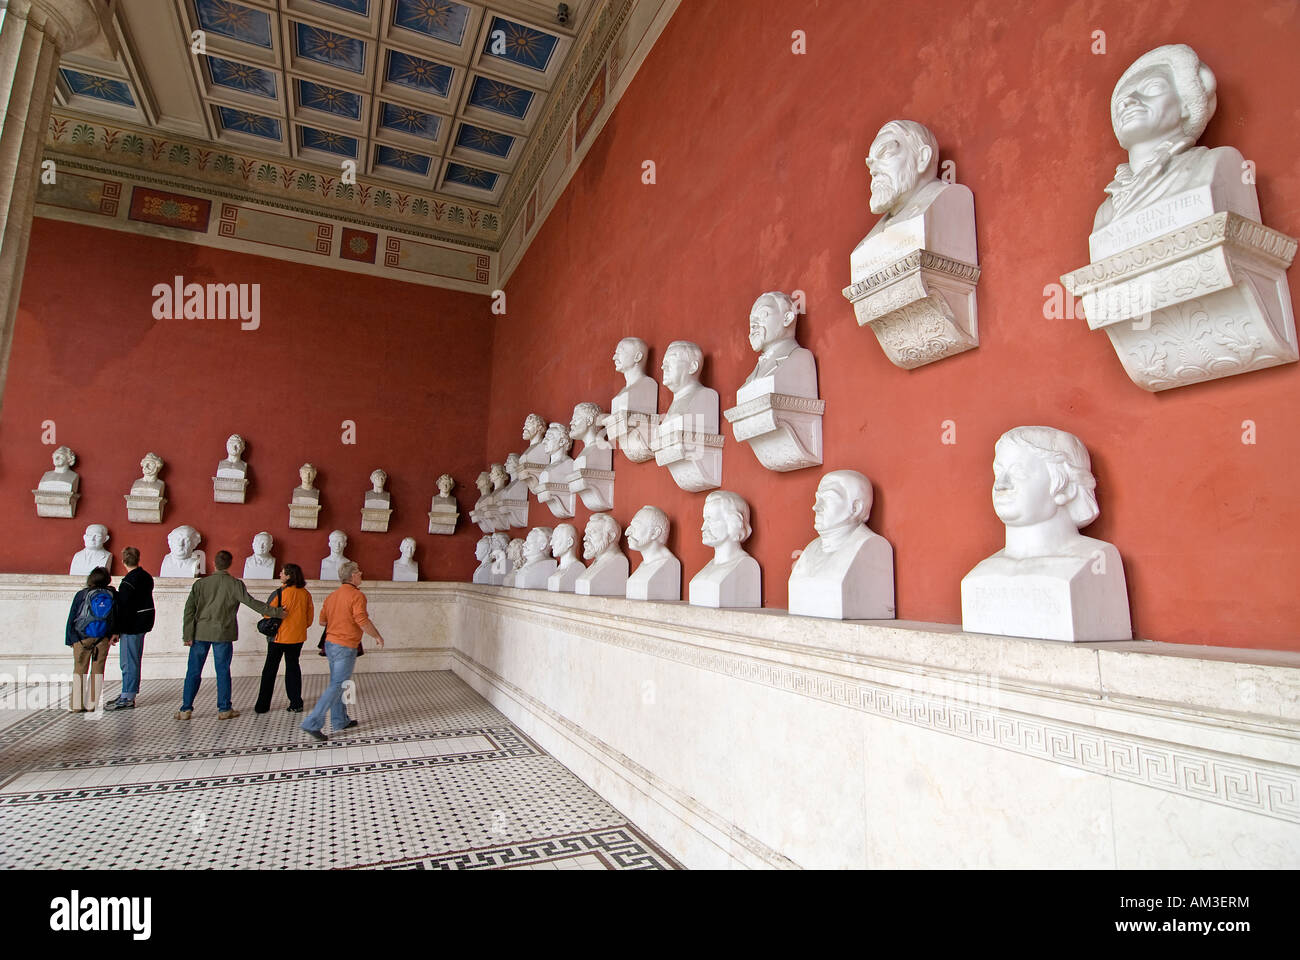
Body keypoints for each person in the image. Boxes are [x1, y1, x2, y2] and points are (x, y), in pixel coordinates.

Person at [176, 550, 284, 720]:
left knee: (193, 672)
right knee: (223, 671)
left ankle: (185, 709)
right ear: (230, 564)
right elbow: (252, 603)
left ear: (214, 562)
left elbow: (189, 611)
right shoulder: (234, 584)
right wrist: (276, 612)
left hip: (200, 633)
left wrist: (187, 634)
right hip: (223, 633)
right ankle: (224, 709)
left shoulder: (200, 584)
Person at [302, 561, 385, 741]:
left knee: (338, 682)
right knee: (338, 684)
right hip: (345, 645)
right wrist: (377, 636)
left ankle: (340, 720)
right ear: (352, 575)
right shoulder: (357, 595)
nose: (361, 573)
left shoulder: (332, 596)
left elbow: (322, 621)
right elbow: (362, 620)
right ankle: (312, 722)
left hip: (330, 644)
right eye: (358, 571)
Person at [254, 563, 313, 714]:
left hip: (279, 638)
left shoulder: (279, 593)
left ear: (288, 576)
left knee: (270, 670)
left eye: (282, 573)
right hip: (297, 638)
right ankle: (296, 703)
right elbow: (309, 619)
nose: (280, 574)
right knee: (293, 668)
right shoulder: (305, 594)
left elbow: (266, 613)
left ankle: (263, 705)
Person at [105, 547, 155, 710]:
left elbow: (124, 609)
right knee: (133, 659)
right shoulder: (146, 577)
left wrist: (116, 631)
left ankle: (128, 695)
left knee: (128, 662)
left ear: (123, 561)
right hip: (143, 622)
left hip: (131, 625)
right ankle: (128, 692)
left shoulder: (128, 581)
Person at [64, 567, 117, 712]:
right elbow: (116, 617)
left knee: (79, 669)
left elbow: (72, 617)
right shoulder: (112, 594)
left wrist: (70, 640)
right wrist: (114, 633)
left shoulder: (82, 594)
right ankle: (91, 705)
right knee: (98, 671)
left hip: (81, 638)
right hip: (102, 639)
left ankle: (76, 705)